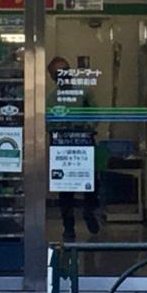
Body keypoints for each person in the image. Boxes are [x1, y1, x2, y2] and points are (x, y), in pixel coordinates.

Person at [47, 55, 101, 240]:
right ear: (52, 77)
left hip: (84, 142)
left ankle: (89, 212)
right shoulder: (51, 97)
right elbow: (48, 122)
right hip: (63, 146)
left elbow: (95, 114)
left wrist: (87, 125)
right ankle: (68, 226)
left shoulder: (84, 91)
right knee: (66, 189)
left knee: (92, 183)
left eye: (65, 71)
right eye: (58, 73)